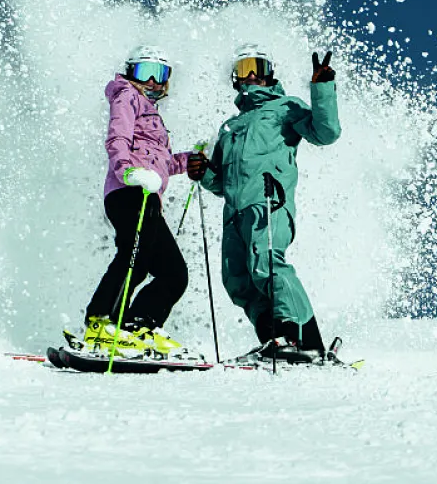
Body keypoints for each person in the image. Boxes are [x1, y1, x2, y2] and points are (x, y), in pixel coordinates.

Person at [188, 44, 340, 361]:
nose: (253, 74)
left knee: (268, 265)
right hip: (235, 213)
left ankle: (303, 340)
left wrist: (321, 88)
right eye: (245, 69)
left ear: (270, 73)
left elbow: (325, 133)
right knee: (238, 280)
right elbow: (221, 182)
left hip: (269, 201)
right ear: (235, 78)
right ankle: (274, 340)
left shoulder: (285, 107)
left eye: (259, 66)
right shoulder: (229, 128)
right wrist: (203, 173)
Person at [78, 45, 193, 357]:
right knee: (135, 255)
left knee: (174, 273)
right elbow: (118, 139)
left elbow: (163, 164)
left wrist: (189, 161)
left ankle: (137, 325)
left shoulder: (153, 114)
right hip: (128, 190)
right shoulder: (126, 95)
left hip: (148, 194)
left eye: (162, 74)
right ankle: (102, 322)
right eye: (146, 72)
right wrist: (128, 171)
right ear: (130, 72)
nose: (154, 81)